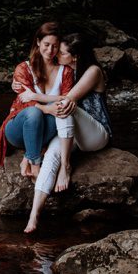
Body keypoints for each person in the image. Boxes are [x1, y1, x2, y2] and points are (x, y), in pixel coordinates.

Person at [24, 33, 112, 233]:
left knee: (64, 105)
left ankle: (66, 167)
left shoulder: (93, 71)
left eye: (61, 52)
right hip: (72, 133)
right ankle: (34, 215)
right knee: (51, 155)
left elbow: (67, 99)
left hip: (96, 134)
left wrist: (33, 99)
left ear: (75, 57)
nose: (56, 54)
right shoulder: (66, 72)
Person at [0, 22, 73, 179]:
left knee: (63, 112)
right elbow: (26, 102)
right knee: (33, 112)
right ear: (38, 42)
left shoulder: (65, 71)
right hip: (18, 130)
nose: (50, 50)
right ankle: (36, 166)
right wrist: (46, 108)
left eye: (55, 46)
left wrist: (55, 104)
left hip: (47, 129)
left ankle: (29, 155)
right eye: (46, 44)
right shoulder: (23, 68)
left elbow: (67, 99)